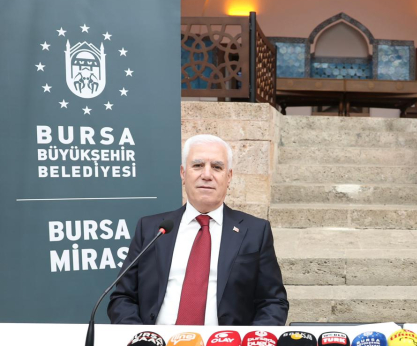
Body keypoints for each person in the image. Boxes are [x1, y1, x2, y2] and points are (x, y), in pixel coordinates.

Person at [108, 134, 288, 326]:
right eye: (198, 165)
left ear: (229, 177)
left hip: (227, 344)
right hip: (156, 342)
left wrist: (248, 341)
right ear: (183, 173)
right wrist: (141, 338)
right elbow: (123, 297)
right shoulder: (151, 229)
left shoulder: (255, 232)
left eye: (217, 167)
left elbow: (273, 302)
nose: (207, 175)